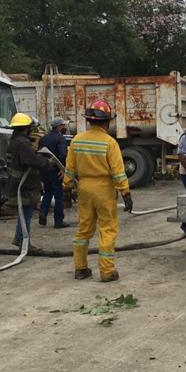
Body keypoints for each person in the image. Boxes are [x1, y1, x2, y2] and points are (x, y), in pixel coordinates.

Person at [64, 99, 133, 281]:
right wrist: (125, 193)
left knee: (83, 229)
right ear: (107, 121)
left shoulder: (76, 140)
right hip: (104, 189)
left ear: (88, 120)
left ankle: (80, 268)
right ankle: (107, 271)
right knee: (107, 229)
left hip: (84, 188)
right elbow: (118, 172)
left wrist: (66, 187)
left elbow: (69, 169)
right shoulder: (109, 143)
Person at [7, 112, 57, 249]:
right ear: (26, 128)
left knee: (24, 213)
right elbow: (34, 161)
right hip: (24, 186)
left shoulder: (15, 141)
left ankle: (19, 238)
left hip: (18, 184)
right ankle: (23, 241)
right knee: (26, 214)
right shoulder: (23, 144)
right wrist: (49, 163)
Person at [38, 117, 70, 228]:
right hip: (56, 171)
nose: (64, 127)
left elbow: (40, 154)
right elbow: (62, 155)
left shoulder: (43, 139)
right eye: (63, 125)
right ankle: (58, 221)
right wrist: (62, 168)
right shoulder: (60, 139)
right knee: (58, 196)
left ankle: (42, 213)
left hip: (45, 170)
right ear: (58, 127)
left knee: (47, 193)